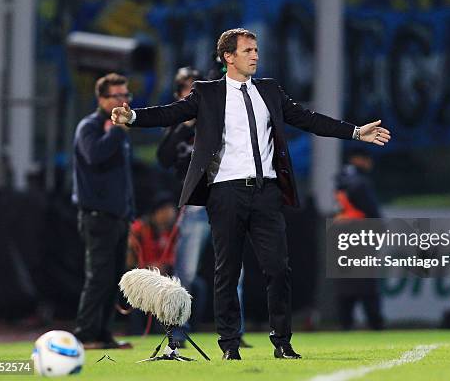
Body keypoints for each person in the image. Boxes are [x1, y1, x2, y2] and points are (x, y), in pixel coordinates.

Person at [111, 28, 391, 360]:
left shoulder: (270, 90)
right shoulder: (207, 93)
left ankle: (282, 342)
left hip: (266, 192)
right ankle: (229, 345)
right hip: (225, 193)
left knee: (278, 268)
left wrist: (356, 132)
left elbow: (308, 119)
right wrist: (133, 117)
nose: (255, 55)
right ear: (228, 57)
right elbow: (170, 113)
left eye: (256, 50)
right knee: (226, 272)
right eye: (247, 50)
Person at [157, 66, 252, 348]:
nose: (194, 92)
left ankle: (234, 332)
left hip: (224, 203)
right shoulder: (175, 123)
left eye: (197, 87)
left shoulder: (217, 118)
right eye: (188, 88)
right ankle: (177, 330)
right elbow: (163, 158)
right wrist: (185, 124)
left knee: (234, 272)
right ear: (178, 94)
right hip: (195, 208)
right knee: (185, 274)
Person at [72, 73, 135, 349]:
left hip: (118, 216)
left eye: (126, 95)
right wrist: (115, 133)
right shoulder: (90, 126)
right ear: (101, 99)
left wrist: (129, 212)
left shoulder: (118, 129)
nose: (123, 100)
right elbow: (93, 155)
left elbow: (123, 179)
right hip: (97, 216)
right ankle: (85, 334)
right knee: (98, 277)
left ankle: (103, 334)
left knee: (114, 279)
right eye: (117, 96)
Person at [333, 148, 383, 330]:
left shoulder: (339, 179)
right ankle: (375, 323)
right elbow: (373, 213)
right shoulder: (360, 182)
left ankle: (345, 324)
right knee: (367, 285)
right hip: (360, 235)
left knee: (344, 284)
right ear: (359, 159)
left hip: (341, 236)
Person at [126, 192, 178, 335]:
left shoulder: (175, 231)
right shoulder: (138, 228)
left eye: (171, 209)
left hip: (165, 277)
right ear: (156, 212)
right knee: (136, 290)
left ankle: (170, 330)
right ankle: (135, 332)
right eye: (165, 210)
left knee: (197, 286)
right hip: (140, 276)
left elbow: (174, 260)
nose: (169, 213)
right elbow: (129, 260)